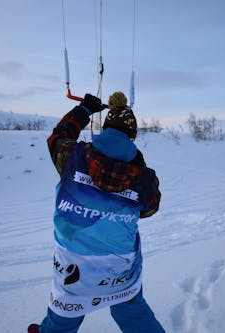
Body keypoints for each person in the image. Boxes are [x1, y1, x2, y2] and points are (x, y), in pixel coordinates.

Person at [28, 92, 164, 333]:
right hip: (119, 268)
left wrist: (85, 109)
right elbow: (149, 208)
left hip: (73, 263)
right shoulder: (144, 178)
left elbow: (58, 137)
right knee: (132, 311)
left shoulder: (73, 156)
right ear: (132, 136)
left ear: (106, 127)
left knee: (65, 311)